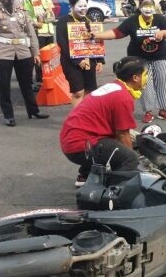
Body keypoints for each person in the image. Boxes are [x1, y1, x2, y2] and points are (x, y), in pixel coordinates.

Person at [60, 56, 146, 187]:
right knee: (130, 157)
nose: (148, 77)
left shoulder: (114, 86)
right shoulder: (122, 97)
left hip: (72, 139)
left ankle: (86, 175)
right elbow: (123, 134)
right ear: (135, 78)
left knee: (128, 139)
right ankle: (116, 189)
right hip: (79, 145)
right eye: (145, 74)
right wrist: (130, 158)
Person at [93, 0, 166, 123]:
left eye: (150, 6)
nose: (147, 9)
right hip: (139, 58)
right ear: (140, 7)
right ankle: (148, 111)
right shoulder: (132, 20)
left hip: (160, 56)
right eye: (145, 6)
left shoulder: (160, 19)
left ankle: (163, 110)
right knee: (145, 84)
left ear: (154, 8)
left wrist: (163, 33)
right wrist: (97, 36)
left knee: (163, 82)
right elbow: (116, 33)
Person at [0, 0, 49, 127]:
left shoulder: (22, 13)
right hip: (3, 52)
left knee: (27, 83)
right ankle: (8, 115)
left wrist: (36, 52)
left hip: (23, 51)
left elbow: (31, 34)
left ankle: (33, 110)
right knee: (3, 85)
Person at [56, 0, 104, 107]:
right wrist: (78, 61)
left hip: (89, 59)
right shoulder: (63, 21)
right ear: (72, 6)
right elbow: (62, 43)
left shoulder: (91, 19)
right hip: (70, 62)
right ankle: (77, 119)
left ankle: (86, 117)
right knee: (78, 92)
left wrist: (100, 60)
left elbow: (97, 40)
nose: (83, 9)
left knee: (89, 90)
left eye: (85, 6)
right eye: (80, 6)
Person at [13, 0, 46, 91]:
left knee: (36, 56)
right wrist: (35, 23)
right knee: (27, 59)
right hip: (24, 32)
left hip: (33, 31)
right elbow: (20, 15)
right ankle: (27, 84)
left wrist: (43, 16)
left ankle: (35, 82)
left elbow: (35, 12)